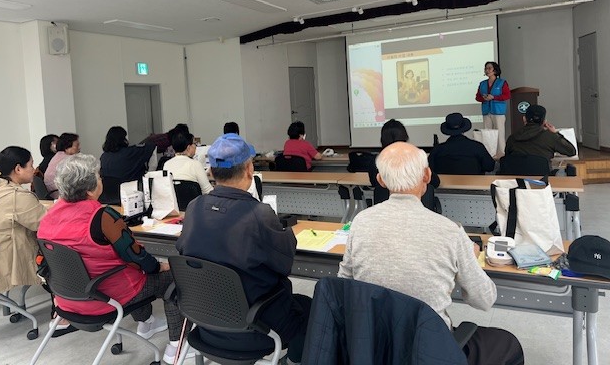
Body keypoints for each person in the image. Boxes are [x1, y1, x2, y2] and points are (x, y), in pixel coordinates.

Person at [339, 142, 524, 365]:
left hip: (373, 346)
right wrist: (470, 258)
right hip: (427, 350)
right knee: (508, 343)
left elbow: (344, 284)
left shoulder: (360, 222)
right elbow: (484, 299)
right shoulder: (450, 231)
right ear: (427, 175)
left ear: (380, 180)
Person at [176, 133, 311, 364]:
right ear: (249, 169)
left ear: (211, 172)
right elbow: (284, 264)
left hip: (205, 323)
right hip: (255, 326)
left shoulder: (194, 207)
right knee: (312, 307)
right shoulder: (258, 214)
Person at [36, 154, 183, 364]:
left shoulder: (48, 217)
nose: (101, 180)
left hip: (66, 299)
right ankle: (177, 346)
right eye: (99, 176)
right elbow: (135, 255)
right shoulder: (103, 216)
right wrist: (159, 267)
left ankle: (147, 322)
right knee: (173, 277)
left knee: (131, 271)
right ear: (90, 189)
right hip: (105, 297)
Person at [0, 146, 48, 293]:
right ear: (18, 169)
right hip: (3, 268)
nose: (33, 169)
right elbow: (46, 225)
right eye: (31, 165)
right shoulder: (17, 197)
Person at [367, 119, 440, 211]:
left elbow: (374, 183)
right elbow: (435, 182)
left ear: (382, 139)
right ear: (404, 136)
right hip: (416, 212)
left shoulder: (376, 161)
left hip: (385, 212)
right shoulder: (415, 158)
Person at [428, 113, 495, 174]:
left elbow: (430, 169)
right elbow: (490, 167)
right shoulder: (477, 146)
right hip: (473, 183)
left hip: (444, 184)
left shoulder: (438, 150)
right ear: (464, 128)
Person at [505, 105, 576, 161]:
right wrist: (555, 133)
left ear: (524, 119)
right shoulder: (551, 137)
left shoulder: (512, 138)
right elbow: (571, 151)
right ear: (544, 121)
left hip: (517, 174)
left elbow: (507, 157)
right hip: (543, 174)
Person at [475, 61, 510, 157]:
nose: (487, 70)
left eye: (489, 68)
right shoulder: (482, 83)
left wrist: (494, 97)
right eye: (486, 68)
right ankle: (489, 155)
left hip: (498, 111)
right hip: (486, 111)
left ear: (495, 70)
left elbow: (507, 95)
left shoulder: (502, 82)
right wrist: (484, 98)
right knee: (487, 134)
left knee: (500, 133)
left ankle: (501, 154)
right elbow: (477, 97)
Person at [44, 132, 80, 198]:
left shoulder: (57, 156)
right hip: (60, 193)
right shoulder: (68, 159)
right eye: (77, 146)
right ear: (67, 147)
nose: (79, 148)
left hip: (53, 191)